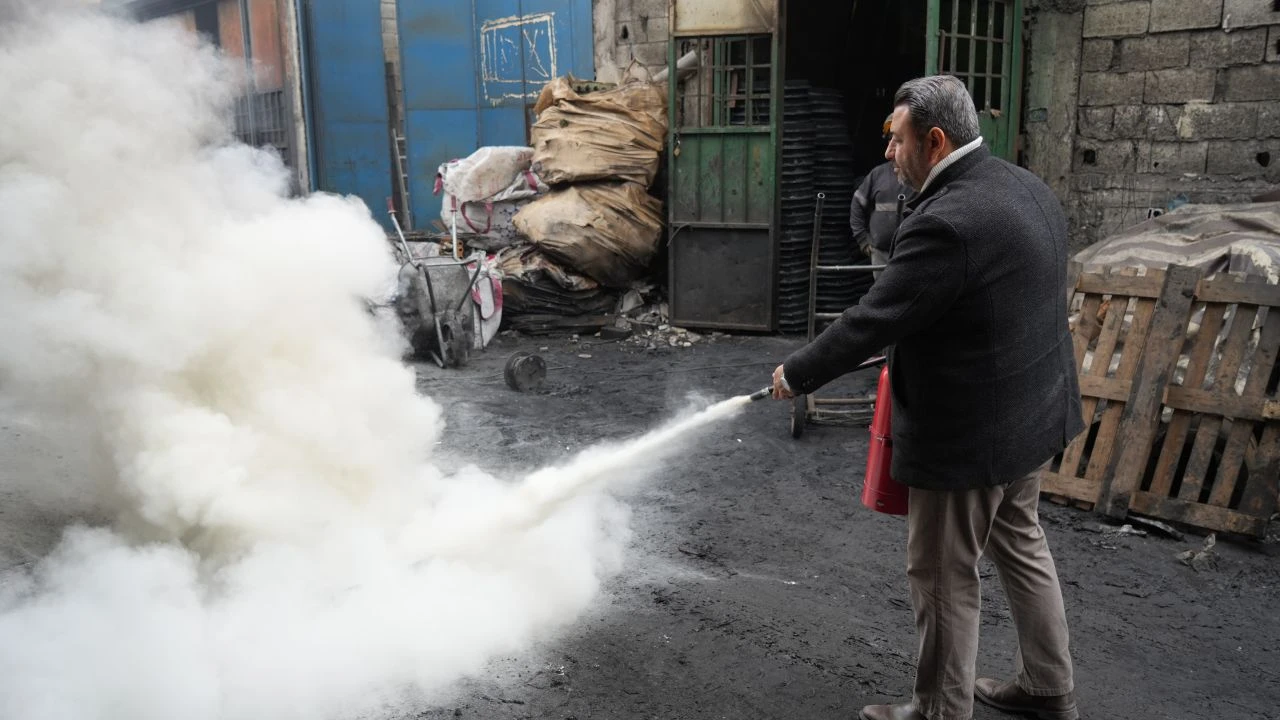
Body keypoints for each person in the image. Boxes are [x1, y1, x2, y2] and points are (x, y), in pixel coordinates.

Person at [770, 75, 1084, 720]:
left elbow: (873, 319)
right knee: (1021, 544)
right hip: (1035, 415)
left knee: (942, 576)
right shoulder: (1024, 185)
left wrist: (798, 372)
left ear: (935, 141)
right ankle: (1049, 687)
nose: (888, 153)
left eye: (897, 139)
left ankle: (940, 709)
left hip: (971, 438)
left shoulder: (945, 222)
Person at [850, 115, 915, 277]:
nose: (892, 145)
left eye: (898, 139)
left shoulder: (919, 175)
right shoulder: (877, 174)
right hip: (880, 254)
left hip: (911, 253)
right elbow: (857, 206)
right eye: (890, 139)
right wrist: (863, 240)